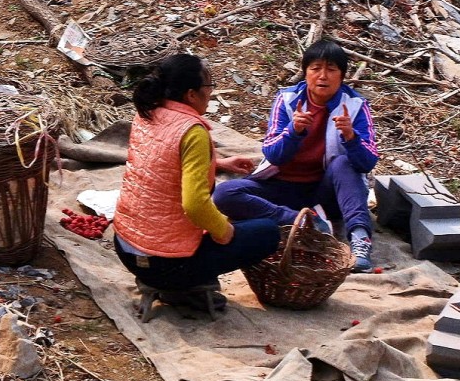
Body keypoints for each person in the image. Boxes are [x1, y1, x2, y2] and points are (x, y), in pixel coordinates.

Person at [113, 54, 281, 311]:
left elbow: (162, 162)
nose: (211, 93)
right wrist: (225, 232)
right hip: (165, 264)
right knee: (267, 232)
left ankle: (177, 281)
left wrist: (219, 164)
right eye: (208, 87)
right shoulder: (192, 131)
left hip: (125, 248)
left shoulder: (147, 112)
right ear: (191, 95)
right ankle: (180, 287)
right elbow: (194, 204)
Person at [213, 40, 379, 273]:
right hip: (281, 188)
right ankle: (303, 221)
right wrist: (293, 131)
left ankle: (360, 240)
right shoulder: (288, 100)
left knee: (344, 163)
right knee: (224, 193)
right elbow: (273, 154)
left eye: (331, 69)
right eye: (315, 68)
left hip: (325, 192)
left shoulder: (355, 105)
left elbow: (368, 161)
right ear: (305, 72)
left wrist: (351, 137)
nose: (323, 76)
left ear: (342, 76)